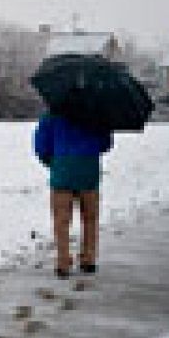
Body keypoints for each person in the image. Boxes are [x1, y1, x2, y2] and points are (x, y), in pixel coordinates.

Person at [34, 113, 112, 278]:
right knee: (90, 218)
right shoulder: (96, 114)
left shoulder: (51, 116)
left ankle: (63, 263)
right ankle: (88, 260)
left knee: (61, 220)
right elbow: (106, 144)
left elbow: (40, 145)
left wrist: (52, 162)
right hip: (88, 171)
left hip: (62, 170)